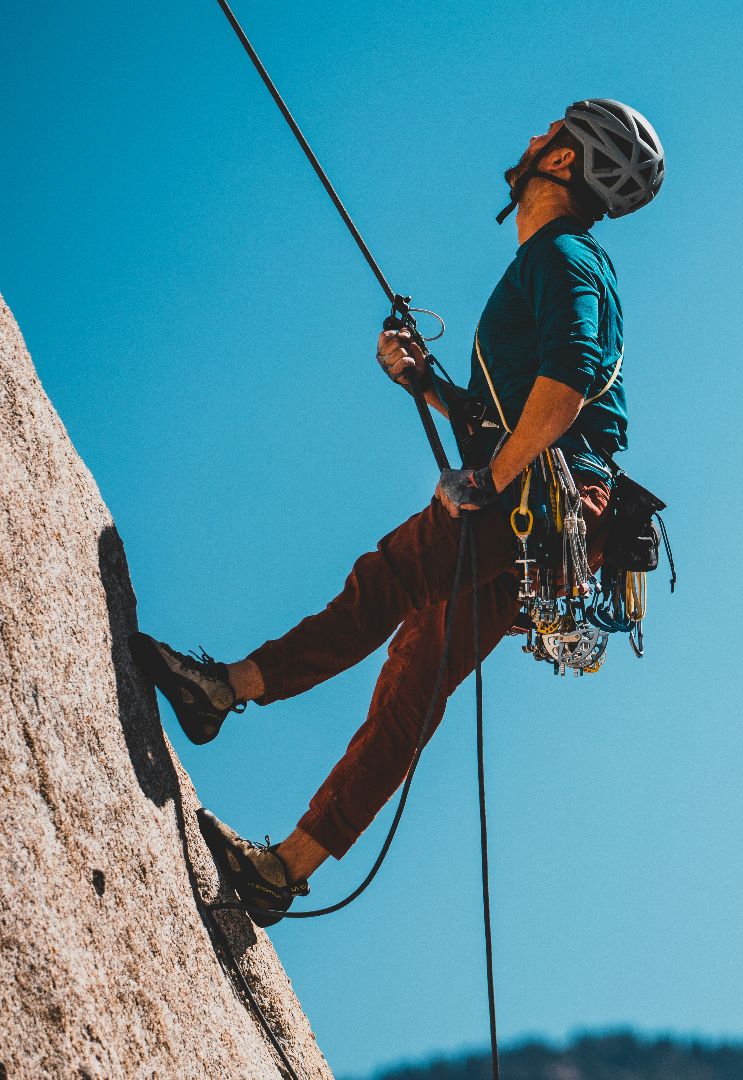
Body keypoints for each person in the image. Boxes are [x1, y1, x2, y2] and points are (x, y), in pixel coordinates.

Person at [130, 99, 665, 927]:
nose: (529, 137)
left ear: (561, 161)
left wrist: (490, 481)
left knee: (382, 584)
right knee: (413, 682)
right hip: (561, 525)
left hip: (535, 500)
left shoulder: (563, 257)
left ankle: (219, 690)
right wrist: (427, 384)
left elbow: (567, 383)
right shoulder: (556, 261)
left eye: (546, 133)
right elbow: (528, 404)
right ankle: (285, 869)